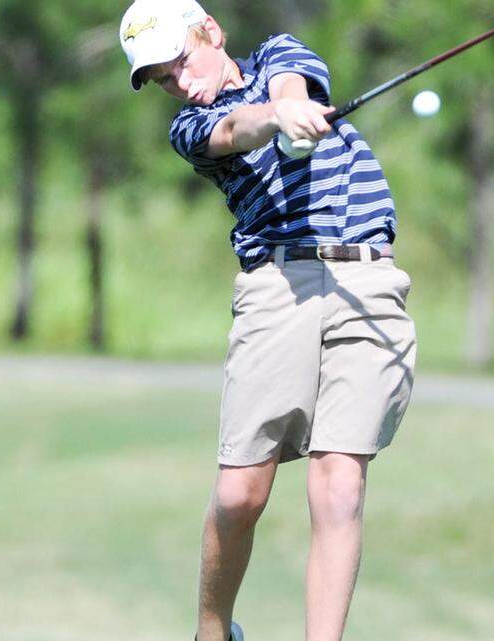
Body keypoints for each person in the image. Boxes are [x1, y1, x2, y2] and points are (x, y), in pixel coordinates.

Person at [118, 1, 417, 640]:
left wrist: (292, 106)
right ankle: (211, 630)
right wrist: (277, 119)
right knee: (239, 496)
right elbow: (239, 127)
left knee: (339, 488)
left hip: (367, 277)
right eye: (164, 80)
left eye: (181, 63)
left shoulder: (283, 55)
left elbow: (287, 82)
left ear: (213, 34)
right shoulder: (191, 130)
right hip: (277, 286)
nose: (181, 84)